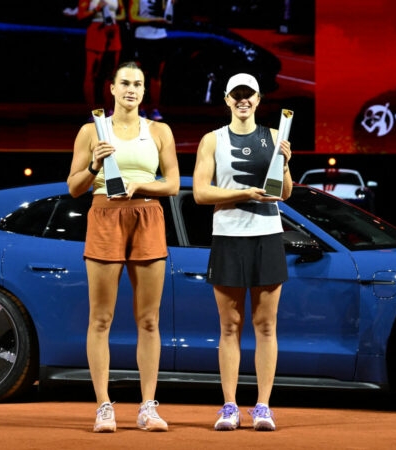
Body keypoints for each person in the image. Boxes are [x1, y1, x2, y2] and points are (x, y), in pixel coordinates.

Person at [67, 61, 180, 433]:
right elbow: (74, 187)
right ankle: (104, 406)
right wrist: (95, 165)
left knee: (149, 320)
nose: (132, 89)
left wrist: (141, 187)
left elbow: (173, 185)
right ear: (112, 89)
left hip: (148, 217)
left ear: (144, 91)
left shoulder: (160, 131)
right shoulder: (91, 131)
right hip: (104, 215)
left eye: (138, 84)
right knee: (100, 319)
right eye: (125, 83)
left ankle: (148, 406)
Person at [192, 73, 293, 432]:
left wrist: (284, 163)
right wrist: (244, 193)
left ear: (258, 98)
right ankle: (230, 406)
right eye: (236, 95)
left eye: (248, 94)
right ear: (226, 99)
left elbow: (284, 194)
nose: (243, 100)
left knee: (266, 326)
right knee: (230, 326)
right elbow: (202, 193)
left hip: (268, 237)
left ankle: (263, 406)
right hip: (228, 238)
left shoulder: (275, 137)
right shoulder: (212, 140)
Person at [63, 0, 126, 109]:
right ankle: (92, 110)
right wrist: (96, 9)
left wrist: (114, 18)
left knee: (110, 74)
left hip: (113, 31)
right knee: (92, 73)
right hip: (96, 31)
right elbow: (81, 15)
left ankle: (109, 108)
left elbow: (123, 14)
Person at [127, 0, 176, 121]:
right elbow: (132, 17)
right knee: (140, 76)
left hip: (160, 37)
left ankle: (154, 109)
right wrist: (153, 20)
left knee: (156, 75)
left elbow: (168, 18)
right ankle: (140, 109)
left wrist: (171, 5)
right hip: (142, 37)